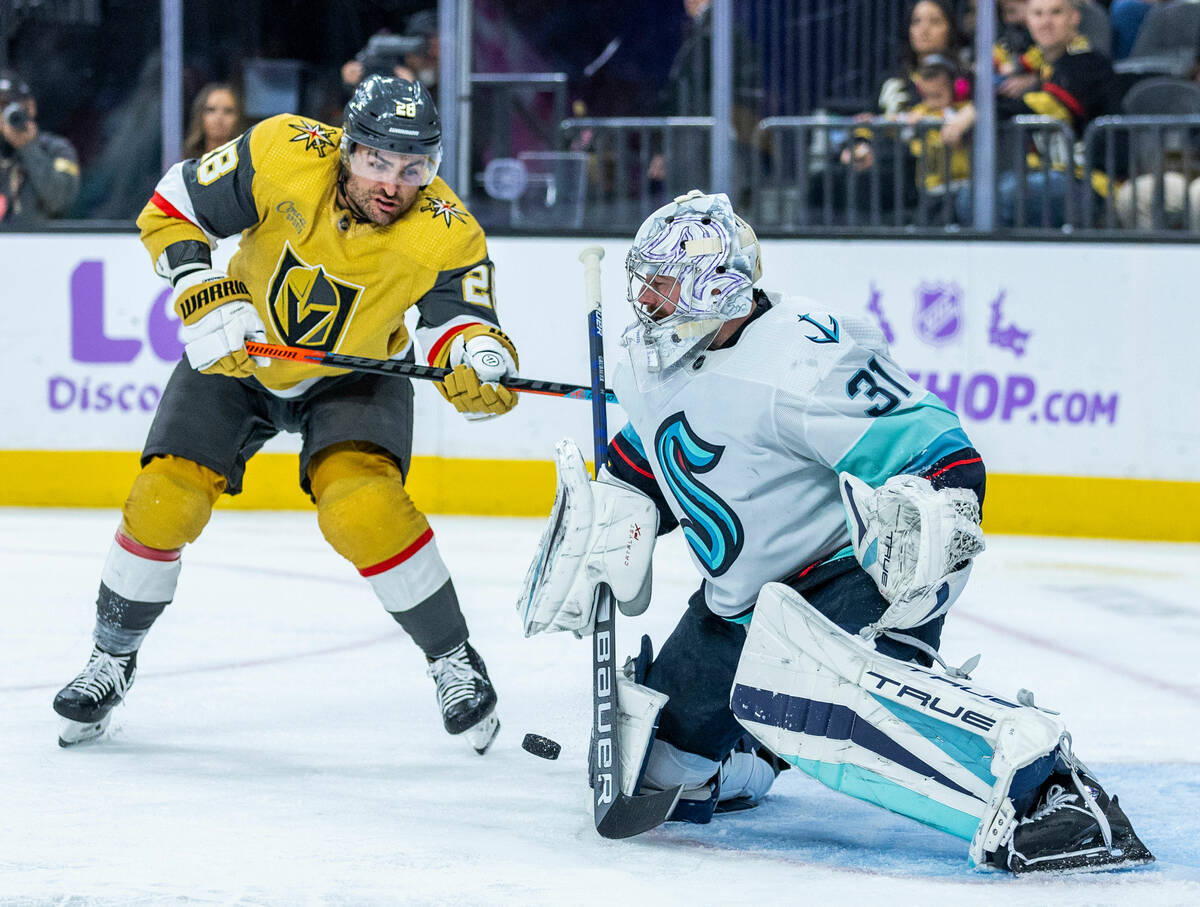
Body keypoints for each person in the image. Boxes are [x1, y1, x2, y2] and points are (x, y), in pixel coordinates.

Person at [518, 190, 1154, 873]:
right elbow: (661, 456)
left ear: (712, 285)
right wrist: (610, 516)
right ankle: (759, 750)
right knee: (660, 767)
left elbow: (948, 458)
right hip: (739, 604)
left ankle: (1049, 788)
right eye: (642, 280)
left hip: (841, 579)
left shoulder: (804, 359)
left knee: (810, 697)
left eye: (661, 281)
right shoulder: (655, 361)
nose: (644, 298)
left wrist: (920, 560)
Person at [51, 75, 517, 755]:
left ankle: (452, 658)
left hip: (356, 373)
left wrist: (478, 355)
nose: (393, 183)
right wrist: (203, 288)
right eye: (376, 161)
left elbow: (464, 321)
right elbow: (173, 203)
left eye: (414, 167)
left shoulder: (447, 230)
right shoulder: (283, 150)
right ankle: (110, 656)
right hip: (242, 354)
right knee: (164, 499)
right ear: (346, 148)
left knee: (364, 507)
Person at [948, 0, 1120, 227]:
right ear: (1028, 20)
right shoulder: (1035, 68)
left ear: (1074, 18)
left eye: (1056, 13)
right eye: (1038, 14)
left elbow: (1044, 104)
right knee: (969, 196)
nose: (1046, 22)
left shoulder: (1089, 62)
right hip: (1043, 175)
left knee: (989, 198)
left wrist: (978, 110)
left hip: (1090, 183)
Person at [0, 68, 80, 226]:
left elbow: (60, 201)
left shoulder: (57, 149)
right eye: (1, 106)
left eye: (10, 105)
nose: (5, 113)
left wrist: (28, 148)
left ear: (30, 107)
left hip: (41, 246)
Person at [181, 83, 245, 161]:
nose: (219, 118)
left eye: (228, 111)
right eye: (211, 110)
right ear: (200, 115)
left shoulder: (246, 160)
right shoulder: (186, 162)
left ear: (238, 117)